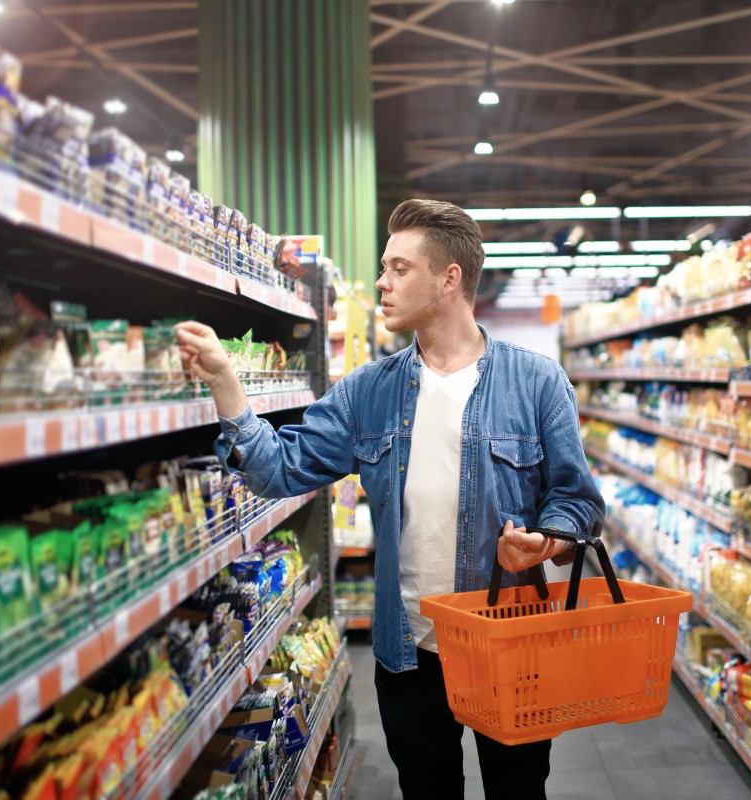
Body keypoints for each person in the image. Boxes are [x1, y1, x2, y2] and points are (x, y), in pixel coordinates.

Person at [175, 199, 604, 800]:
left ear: (449, 278)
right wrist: (225, 381)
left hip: (511, 644)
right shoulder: (367, 393)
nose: (381, 282)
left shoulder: (535, 381)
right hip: (409, 652)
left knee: (519, 791)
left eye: (399, 268)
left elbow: (578, 501)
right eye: (384, 267)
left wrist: (545, 540)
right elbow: (278, 470)